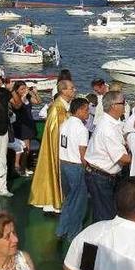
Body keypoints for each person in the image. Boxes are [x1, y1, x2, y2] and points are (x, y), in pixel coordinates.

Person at [30, 79, 76, 212]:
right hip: (58, 148)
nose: (74, 90)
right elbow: (55, 132)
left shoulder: (64, 106)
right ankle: (54, 202)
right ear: (63, 91)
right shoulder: (57, 108)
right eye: (71, 88)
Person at [85, 91, 132, 222]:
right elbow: (122, 158)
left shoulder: (112, 123)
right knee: (105, 217)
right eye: (123, 103)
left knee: (102, 213)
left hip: (101, 174)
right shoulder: (108, 128)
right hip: (101, 177)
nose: (125, 105)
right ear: (113, 106)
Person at [55, 98, 91, 241]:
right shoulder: (82, 129)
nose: (88, 113)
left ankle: (61, 229)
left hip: (63, 164)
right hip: (75, 167)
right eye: (87, 109)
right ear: (80, 110)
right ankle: (73, 233)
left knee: (68, 200)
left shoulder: (64, 124)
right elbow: (83, 155)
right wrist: (88, 168)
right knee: (78, 202)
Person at [9, 82, 41, 177]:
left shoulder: (28, 98)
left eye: (25, 88)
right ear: (17, 90)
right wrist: (23, 97)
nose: (24, 90)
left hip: (29, 123)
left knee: (28, 148)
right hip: (20, 125)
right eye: (22, 89)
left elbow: (38, 101)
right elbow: (17, 106)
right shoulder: (14, 99)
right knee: (25, 148)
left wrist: (34, 93)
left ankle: (24, 167)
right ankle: (22, 168)